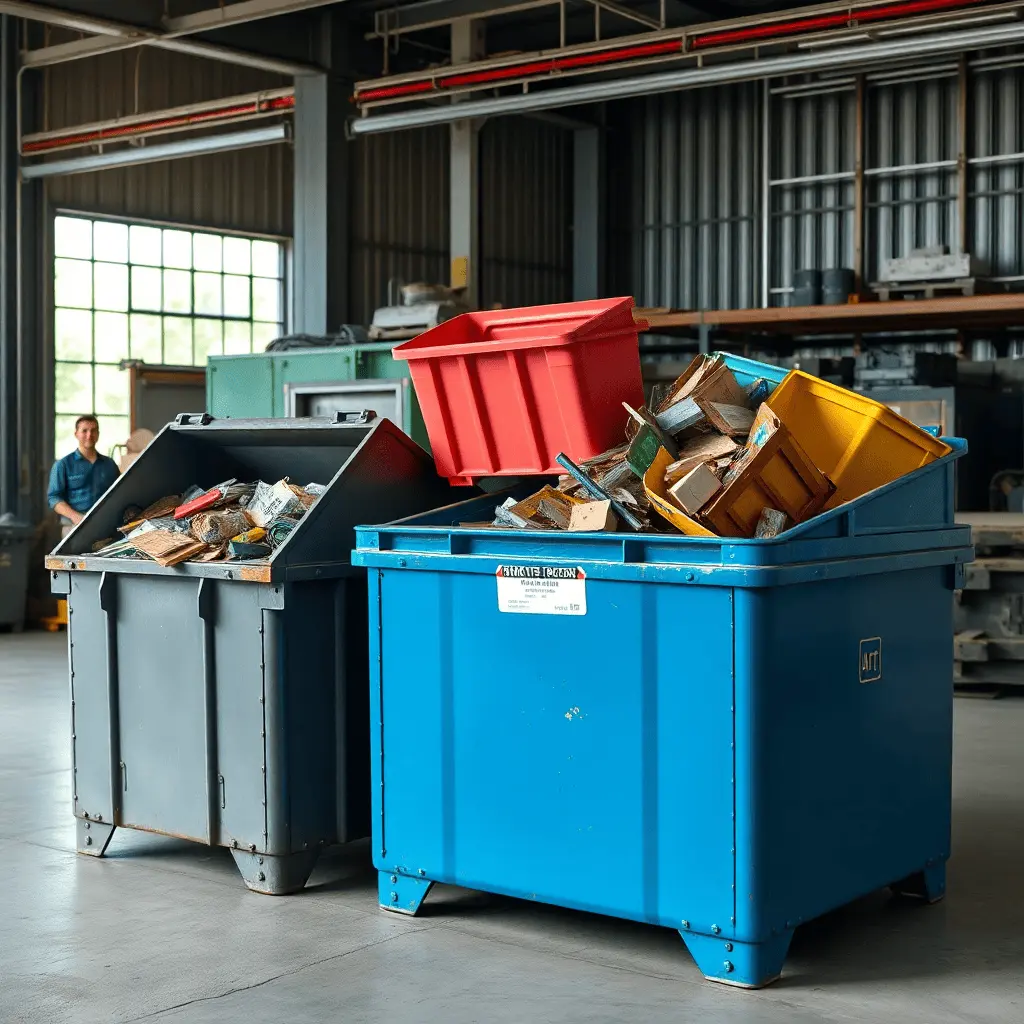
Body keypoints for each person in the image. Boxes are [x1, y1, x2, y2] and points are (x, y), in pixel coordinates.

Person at [48, 414, 120, 534]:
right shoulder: (63, 465)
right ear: (76, 434)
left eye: (93, 430)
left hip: (105, 525)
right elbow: (54, 498)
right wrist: (75, 516)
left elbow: (119, 493)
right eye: (84, 431)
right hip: (73, 526)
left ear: (98, 434)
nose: (89, 435)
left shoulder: (110, 465)